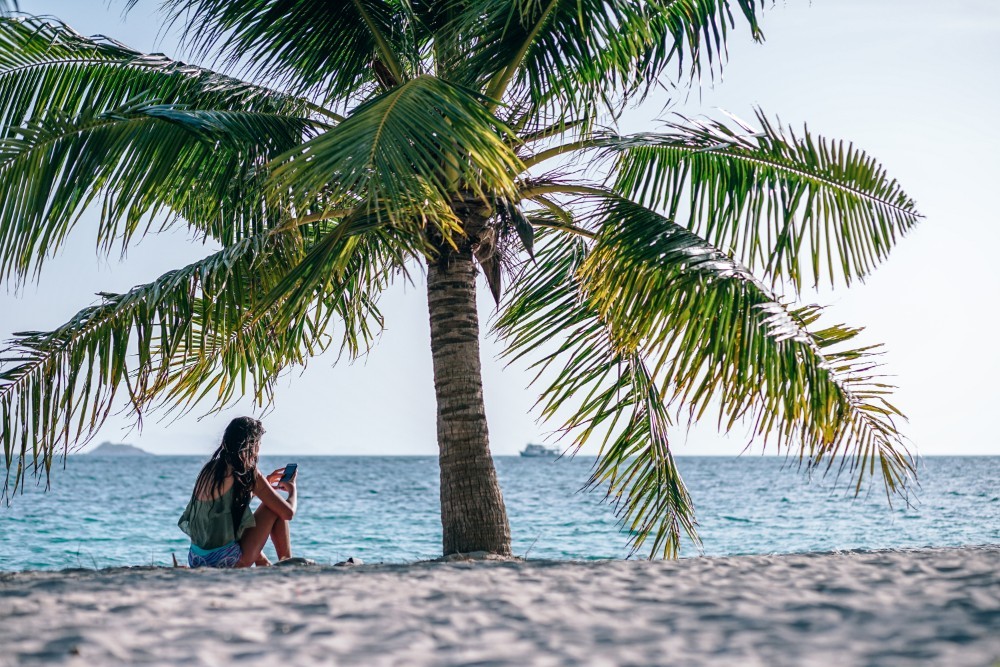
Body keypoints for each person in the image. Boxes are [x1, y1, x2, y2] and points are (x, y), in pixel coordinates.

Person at [178, 417, 297, 568]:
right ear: (252, 445)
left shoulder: (209, 468)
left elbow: (225, 505)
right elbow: (288, 513)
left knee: (259, 553)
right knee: (272, 508)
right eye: (258, 444)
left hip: (197, 558)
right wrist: (292, 489)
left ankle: (267, 565)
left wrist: (264, 482)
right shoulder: (247, 471)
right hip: (226, 559)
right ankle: (287, 563)